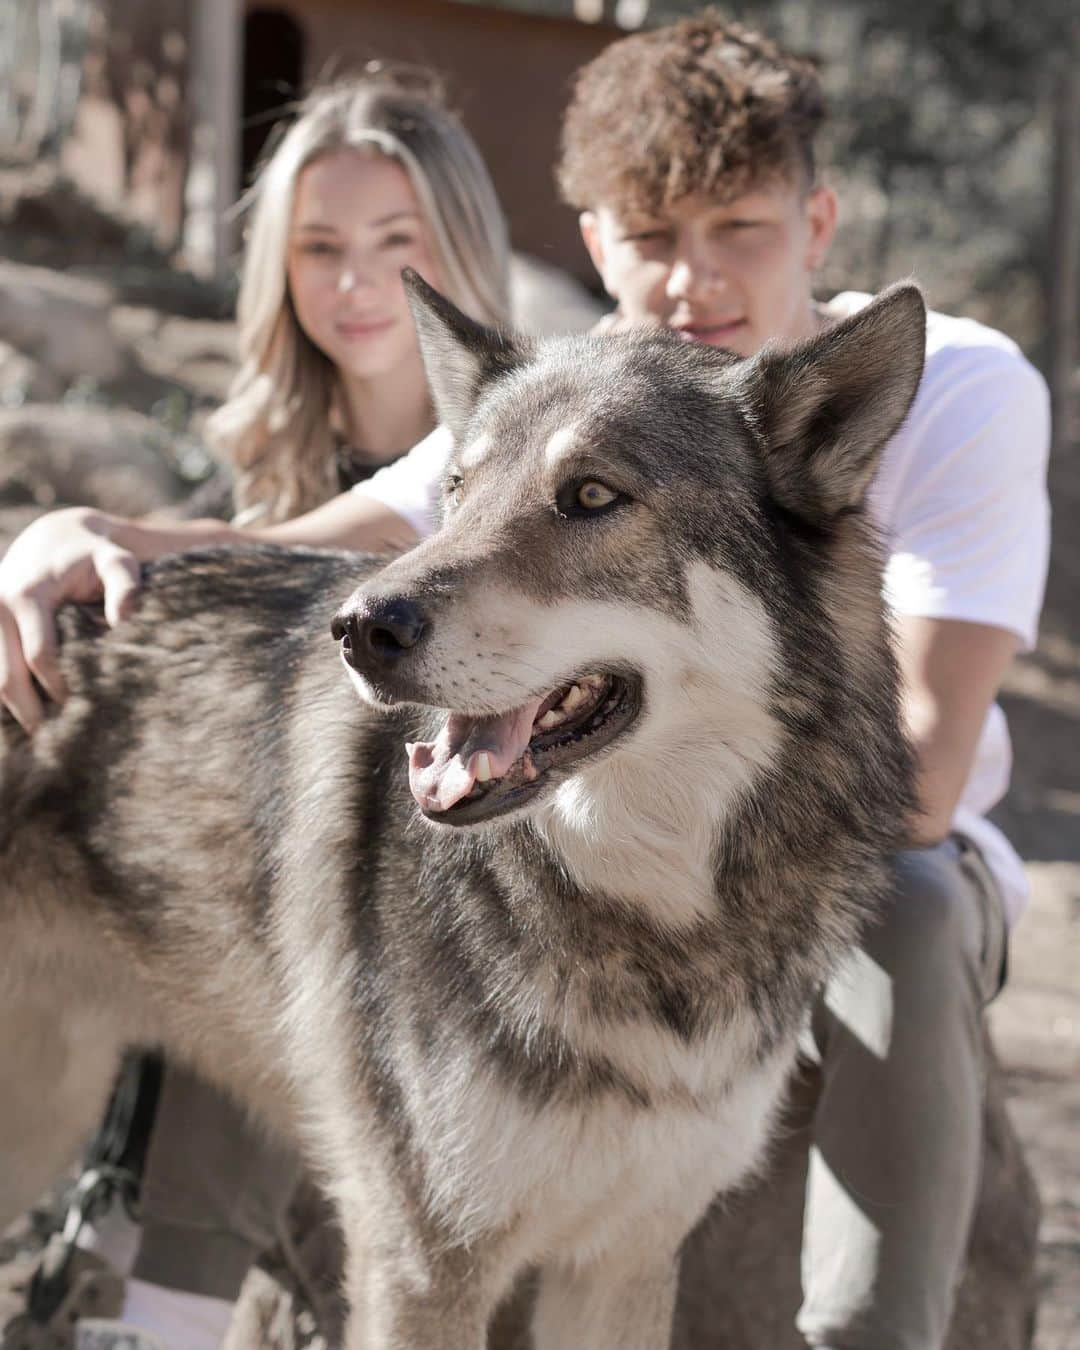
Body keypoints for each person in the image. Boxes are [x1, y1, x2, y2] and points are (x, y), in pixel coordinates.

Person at [0, 14, 1051, 1350]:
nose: (692, 280)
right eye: (653, 237)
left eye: (737, 228)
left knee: (900, 892)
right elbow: (348, 560)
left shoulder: (946, 389)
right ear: (599, 247)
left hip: (864, 856)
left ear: (818, 224)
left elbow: (922, 765)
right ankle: (152, 1307)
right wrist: (74, 536)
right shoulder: (560, 400)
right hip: (539, 862)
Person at [0, 67, 509, 1350]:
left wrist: (104, 528)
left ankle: (155, 1303)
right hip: (272, 886)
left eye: (400, 246)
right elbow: (265, 545)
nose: (356, 284)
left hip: (476, 873)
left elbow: (326, 558)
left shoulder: (515, 439)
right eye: (320, 248)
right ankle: (121, 1260)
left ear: (466, 251)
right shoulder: (273, 444)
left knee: (282, 883)